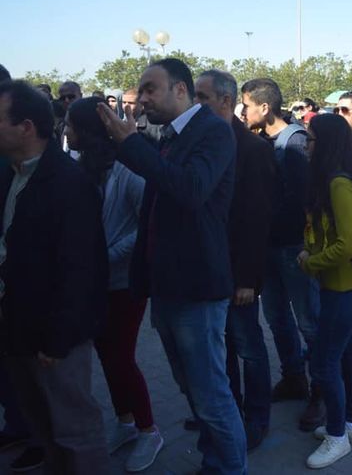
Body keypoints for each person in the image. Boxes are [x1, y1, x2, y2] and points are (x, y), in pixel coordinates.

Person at [98, 58, 246, 474]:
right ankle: (214, 462)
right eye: (141, 90)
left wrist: (131, 145)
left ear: (180, 90)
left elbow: (191, 190)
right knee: (193, 391)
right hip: (168, 286)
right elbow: (157, 202)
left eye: (150, 89)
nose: (142, 99)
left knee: (212, 396)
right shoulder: (172, 135)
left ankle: (230, 468)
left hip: (197, 288)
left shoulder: (213, 131)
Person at [0, 80, 111, 474]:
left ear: (26, 127)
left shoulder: (69, 183)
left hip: (54, 338)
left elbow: (81, 270)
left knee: (74, 431)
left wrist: (59, 338)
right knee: (41, 424)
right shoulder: (12, 175)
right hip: (18, 327)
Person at [63, 97, 163, 471]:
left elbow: (145, 225)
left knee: (121, 356)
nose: (65, 131)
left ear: (87, 130)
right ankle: (125, 421)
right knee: (107, 355)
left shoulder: (127, 170)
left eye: (71, 125)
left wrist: (106, 255)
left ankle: (149, 430)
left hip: (124, 283)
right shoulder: (82, 167)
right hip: (94, 282)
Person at [196, 70, 276, 450]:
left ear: (226, 102)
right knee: (219, 348)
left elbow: (257, 220)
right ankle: (228, 410)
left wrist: (247, 279)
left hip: (238, 272)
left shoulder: (254, 149)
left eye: (202, 97)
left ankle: (257, 417)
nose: (195, 105)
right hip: (208, 268)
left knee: (248, 347)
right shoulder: (201, 142)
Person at [240, 78, 322, 430]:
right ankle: (294, 377)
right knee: (276, 317)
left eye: (246, 106)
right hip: (268, 247)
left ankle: (321, 390)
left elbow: (298, 200)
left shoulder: (294, 142)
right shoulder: (262, 141)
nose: (243, 112)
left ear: (264, 107)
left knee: (308, 320)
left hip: (292, 247)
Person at [298, 113, 352, 469]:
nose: (306, 146)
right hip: (344, 288)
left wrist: (311, 262)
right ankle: (351, 423)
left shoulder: (339, 184)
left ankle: (337, 435)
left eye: (311, 139)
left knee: (325, 363)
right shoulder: (341, 178)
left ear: (326, 144)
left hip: (344, 288)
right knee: (348, 356)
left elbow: (348, 245)